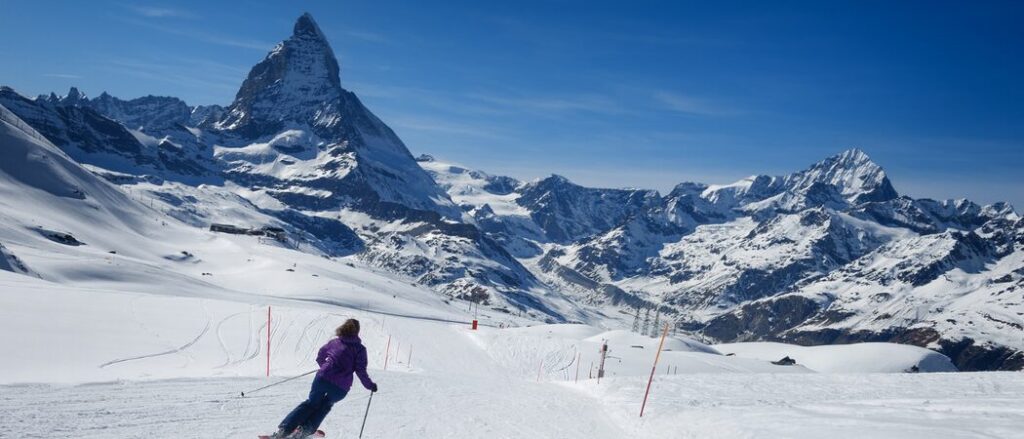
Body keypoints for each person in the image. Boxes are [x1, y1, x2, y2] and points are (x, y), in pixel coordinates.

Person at [271, 319, 378, 438]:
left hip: (323, 378)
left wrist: (326, 367)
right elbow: (360, 370)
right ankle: (304, 430)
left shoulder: (335, 342)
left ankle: (284, 430)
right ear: (357, 332)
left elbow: (320, 355)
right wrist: (370, 385)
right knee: (325, 406)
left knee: (311, 404)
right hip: (340, 387)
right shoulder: (360, 349)